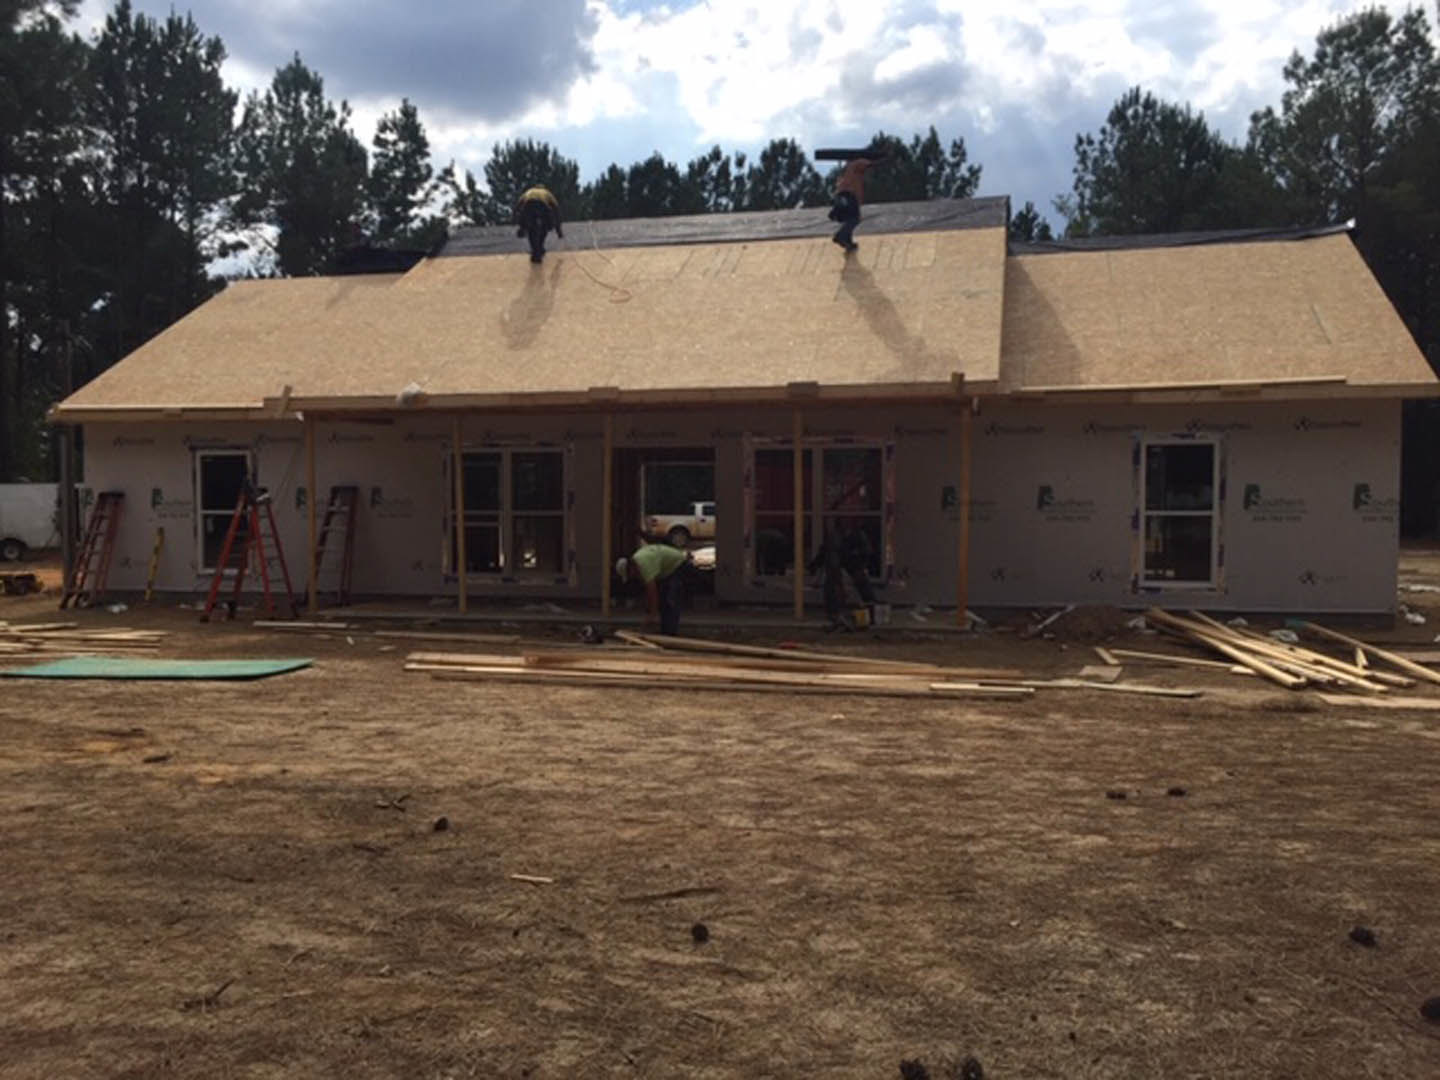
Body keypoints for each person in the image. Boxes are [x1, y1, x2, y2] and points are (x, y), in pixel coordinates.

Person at [808, 522, 877, 628]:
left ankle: (871, 609)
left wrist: (861, 566)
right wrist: (814, 566)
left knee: (860, 579)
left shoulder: (858, 536)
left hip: (853, 558)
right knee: (833, 579)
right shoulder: (832, 543)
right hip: (838, 559)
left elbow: (866, 553)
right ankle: (833, 611)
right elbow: (824, 555)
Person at [616, 542, 692, 636]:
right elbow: (649, 592)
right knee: (664, 600)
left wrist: (652, 614)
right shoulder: (638, 563)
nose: (632, 577)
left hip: (678, 565)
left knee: (671, 599)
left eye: (629, 575)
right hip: (666, 570)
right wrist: (649, 609)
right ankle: (666, 632)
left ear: (630, 567)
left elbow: (652, 591)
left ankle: (671, 634)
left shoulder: (644, 565)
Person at [828, 156, 883, 252]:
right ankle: (840, 236)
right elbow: (869, 164)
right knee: (855, 219)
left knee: (850, 219)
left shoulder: (852, 173)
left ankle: (848, 242)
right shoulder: (857, 163)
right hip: (848, 195)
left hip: (843, 196)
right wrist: (883, 160)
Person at [515, 185, 563, 263]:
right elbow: (556, 209)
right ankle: (540, 247)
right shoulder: (547, 192)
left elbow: (518, 205)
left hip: (529, 205)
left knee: (529, 228)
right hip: (542, 205)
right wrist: (558, 229)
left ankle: (534, 249)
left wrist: (519, 222)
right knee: (546, 227)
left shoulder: (529, 191)